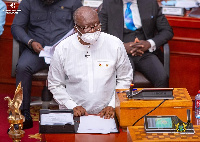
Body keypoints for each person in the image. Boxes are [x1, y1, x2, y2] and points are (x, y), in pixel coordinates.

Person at [48, 6, 133, 119]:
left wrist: (113, 105)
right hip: (74, 112)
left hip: (108, 112)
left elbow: (125, 78)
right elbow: (55, 84)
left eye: (96, 25)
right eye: (87, 27)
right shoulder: (63, 49)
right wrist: (71, 105)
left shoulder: (114, 44)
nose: (93, 30)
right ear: (76, 28)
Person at [11, 0, 82, 129]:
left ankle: (75, 109)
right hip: (37, 50)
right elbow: (16, 26)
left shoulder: (74, 2)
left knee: (80, 68)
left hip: (64, 52)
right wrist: (30, 42)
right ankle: (23, 112)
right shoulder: (28, 2)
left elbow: (82, 26)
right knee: (22, 67)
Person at [98, 0, 174, 87]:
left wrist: (149, 44)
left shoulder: (150, 3)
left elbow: (167, 31)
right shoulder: (109, 3)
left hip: (145, 53)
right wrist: (121, 47)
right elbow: (100, 34)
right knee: (123, 81)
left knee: (162, 78)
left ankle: (158, 101)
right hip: (121, 55)